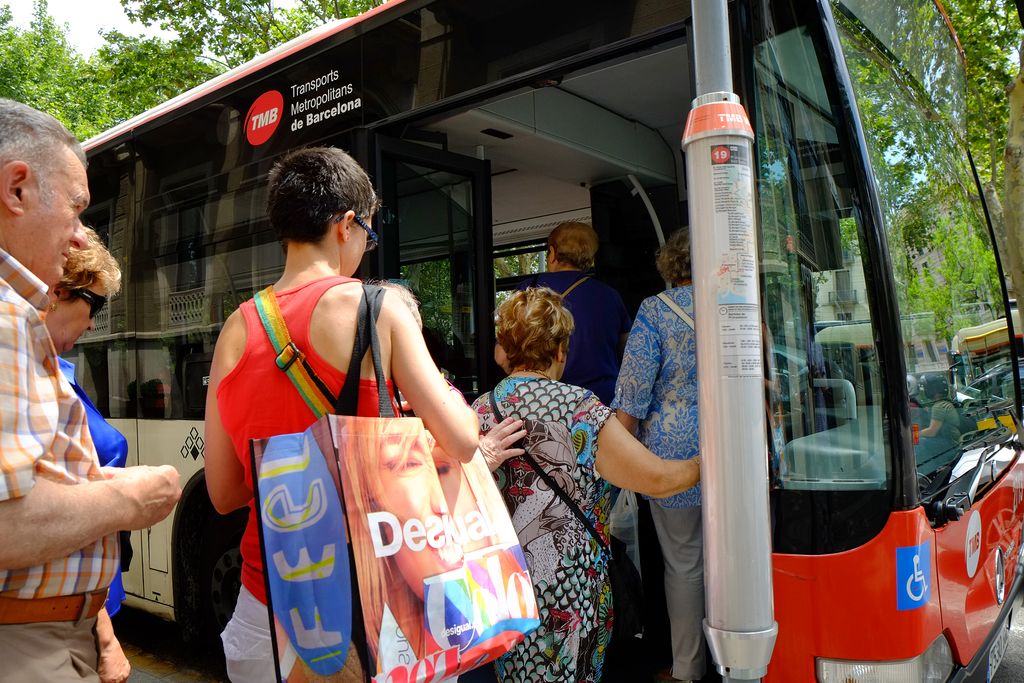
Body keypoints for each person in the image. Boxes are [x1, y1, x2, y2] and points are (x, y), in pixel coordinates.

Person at [204, 146, 480, 682]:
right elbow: (463, 440)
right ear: (346, 224)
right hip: (371, 610)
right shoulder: (379, 307)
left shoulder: (234, 330)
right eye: (368, 236)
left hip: (264, 610)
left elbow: (223, 492)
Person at [0, 98, 181, 682]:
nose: (80, 239)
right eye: (77, 210)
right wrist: (130, 500)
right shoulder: (8, 320)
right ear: (17, 188)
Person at [473, 287, 701, 683]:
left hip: (500, 588)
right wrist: (704, 463)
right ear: (561, 350)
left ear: (502, 350)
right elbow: (660, 481)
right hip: (569, 590)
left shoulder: (478, 409)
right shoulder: (581, 409)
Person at [612, 228, 704, 683]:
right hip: (736, 455)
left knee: (684, 564)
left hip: (673, 460)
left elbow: (632, 396)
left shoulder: (655, 313)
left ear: (669, 263)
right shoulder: (735, 308)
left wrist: (609, 456)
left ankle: (689, 668)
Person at [46, 226, 132, 682]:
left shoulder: (56, 372)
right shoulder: (38, 380)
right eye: (94, 305)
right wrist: (107, 640)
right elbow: (57, 523)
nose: (95, 322)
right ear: (58, 293)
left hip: (86, 610)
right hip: (70, 619)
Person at [518, 221, 630, 404]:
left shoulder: (528, 289)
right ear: (590, 258)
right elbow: (627, 351)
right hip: (600, 401)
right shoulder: (610, 296)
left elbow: (505, 352)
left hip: (542, 400)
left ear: (553, 254)